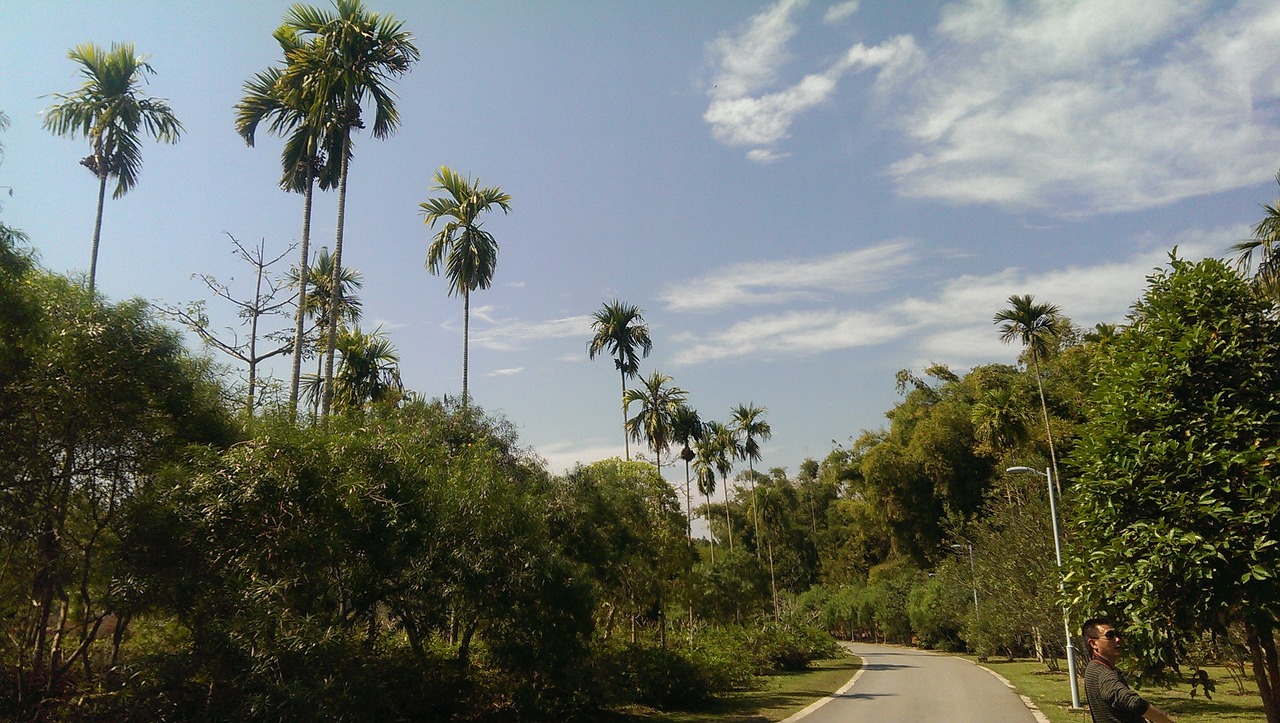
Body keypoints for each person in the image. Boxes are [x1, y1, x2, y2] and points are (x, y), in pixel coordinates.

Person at [1081, 617, 1176, 723]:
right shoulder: (1103, 673)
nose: (1118, 640)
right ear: (1093, 644)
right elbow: (1131, 701)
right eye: (1110, 636)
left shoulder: (1093, 668)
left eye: (1117, 635)